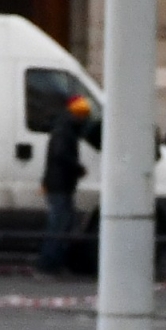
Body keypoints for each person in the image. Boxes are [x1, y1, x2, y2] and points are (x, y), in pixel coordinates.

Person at [39, 91, 99, 276]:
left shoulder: (64, 128)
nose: (84, 119)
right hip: (60, 185)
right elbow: (61, 155)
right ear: (75, 113)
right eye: (82, 115)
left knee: (62, 224)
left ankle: (54, 262)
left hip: (59, 184)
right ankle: (49, 264)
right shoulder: (65, 131)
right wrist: (77, 168)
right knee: (59, 226)